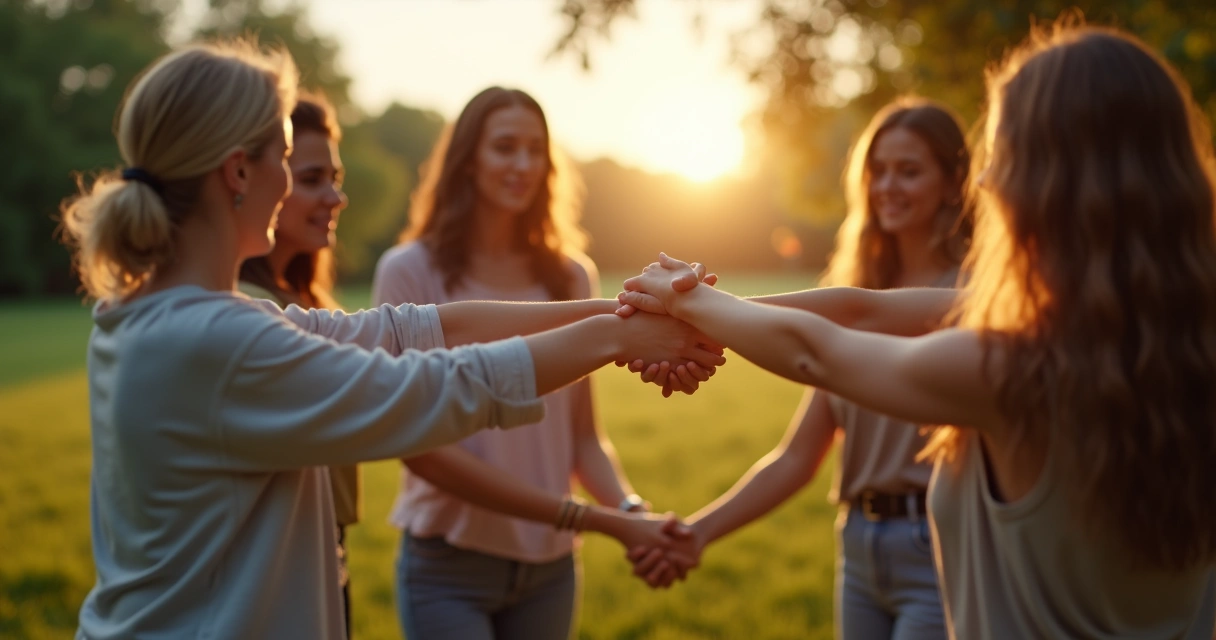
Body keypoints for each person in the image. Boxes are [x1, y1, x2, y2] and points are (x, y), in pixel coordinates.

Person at [60, 41, 723, 640]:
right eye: (289, 161)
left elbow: (413, 330)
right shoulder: (215, 340)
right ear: (239, 173)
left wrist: (627, 307)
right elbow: (437, 387)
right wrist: (617, 335)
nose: (296, 182)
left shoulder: (160, 318)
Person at [621, 22, 1216, 640]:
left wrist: (683, 301)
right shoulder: (1184, 347)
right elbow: (860, 311)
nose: (984, 183)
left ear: (1056, 179)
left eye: (1003, 153)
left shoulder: (1010, 366)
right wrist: (685, 307)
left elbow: (813, 351)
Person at [372, 86, 708, 640]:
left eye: (536, 150)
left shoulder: (571, 277)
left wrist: (631, 510)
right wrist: (595, 521)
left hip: (551, 572)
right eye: (505, 147)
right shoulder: (410, 272)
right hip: (450, 567)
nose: (523, 165)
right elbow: (422, 452)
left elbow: (582, 439)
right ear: (468, 161)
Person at [668, 98, 970, 640]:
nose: (887, 187)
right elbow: (798, 456)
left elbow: (858, 310)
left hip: (940, 548)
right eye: (878, 172)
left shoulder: (971, 297)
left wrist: (695, 310)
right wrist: (695, 533)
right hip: (857, 547)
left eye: (910, 171)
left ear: (953, 185)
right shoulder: (856, 292)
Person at [237, 93, 361, 637]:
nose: (335, 196)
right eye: (311, 179)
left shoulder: (309, 302)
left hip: (327, 562)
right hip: (270, 585)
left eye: (335, 176)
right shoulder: (244, 312)